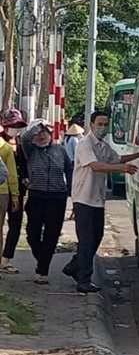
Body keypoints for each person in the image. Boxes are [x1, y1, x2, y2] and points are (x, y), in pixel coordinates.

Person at [63, 111, 139, 293]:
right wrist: (119, 169)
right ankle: (84, 280)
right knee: (86, 241)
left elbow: (117, 158)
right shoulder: (85, 144)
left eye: (105, 124)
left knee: (96, 238)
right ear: (91, 125)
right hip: (83, 198)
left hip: (97, 200)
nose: (103, 127)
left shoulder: (103, 146)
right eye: (99, 124)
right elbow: (95, 166)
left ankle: (74, 267)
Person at [18, 120, 72, 284]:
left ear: (51, 135)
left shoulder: (59, 150)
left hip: (57, 198)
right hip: (36, 197)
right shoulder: (31, 151)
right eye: (39, 134)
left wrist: (70, 191)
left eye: (45, 133)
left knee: (52, 234)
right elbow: (24, 137)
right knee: (32, 234)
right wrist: (39, 125)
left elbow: (69, 170)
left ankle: (41, 271)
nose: (42, 136)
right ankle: (42, 257)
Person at [0, 109, 27, 274]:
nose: (15, 128)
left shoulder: (22, 144)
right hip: (5, 190)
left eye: (18, 125)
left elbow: (23, 168)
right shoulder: (3, 145)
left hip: (18, 190)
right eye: (12, 125)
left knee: (15, 225)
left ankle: (6, 259)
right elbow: (7, 172)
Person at [64, 123, 84, 221]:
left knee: (70, 186)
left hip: (67, 163)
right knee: (76, 187)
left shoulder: (66, 139)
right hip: (73, 163)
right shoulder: (75, 140)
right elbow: (77, 153)